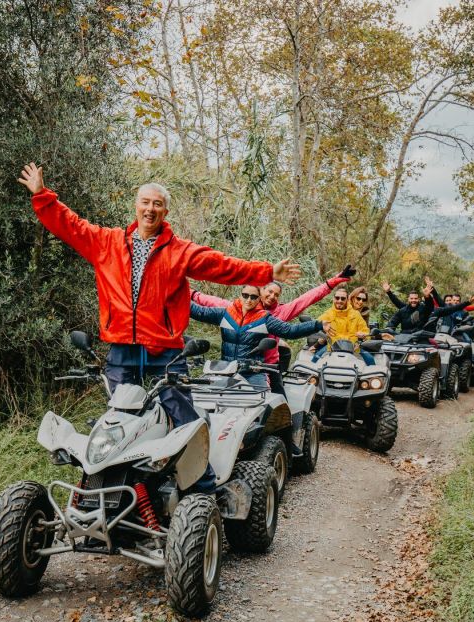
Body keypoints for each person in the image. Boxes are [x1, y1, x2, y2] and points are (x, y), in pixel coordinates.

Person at [17, 162, 302, 430]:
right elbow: (71, 225)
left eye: (157, 204)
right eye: (145, 202)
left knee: (183, 416)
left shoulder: (180, 251)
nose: (150, 209)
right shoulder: (108, 242)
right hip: (121, 346)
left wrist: (267, 272)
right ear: (136, 206)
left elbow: (222, 265)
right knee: (119, 418)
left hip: (164, 348)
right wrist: (42, 196)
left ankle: (203, 480)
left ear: (165, 211)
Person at [190, 263, 357, 392]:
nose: (271, 296)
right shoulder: (232, 310)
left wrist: (333, 281)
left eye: (276, 294)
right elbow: (205, 303)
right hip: (231, 367)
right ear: (260, 290)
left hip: (266, 366)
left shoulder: (278, 314)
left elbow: (306, 301)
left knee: (278, 405)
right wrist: (185, 292)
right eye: (269, 292)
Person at [189, 286, 329, 388]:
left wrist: (317, 325)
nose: (249, 300)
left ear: (259, 299)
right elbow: (198, 311)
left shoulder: (264, 318)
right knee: (207, 402)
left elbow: (290, 331)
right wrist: (173, 291)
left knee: (266, 408)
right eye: (245, 295)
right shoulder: (225, 313)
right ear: (240, 295)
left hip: (253, 372)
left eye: (253, 297)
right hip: (225, 370)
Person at [314, 286, 375, 365]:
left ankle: (374, 377)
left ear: (347, 300)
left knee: (370, 359)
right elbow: (314, 325)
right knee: (315, 359)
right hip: (332, 348)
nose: (339, 300)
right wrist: (317, 341)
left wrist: (363, 336)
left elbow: (366, 332)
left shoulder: (356, 314)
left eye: (343, 298)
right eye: (337, 298)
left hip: (353, 348)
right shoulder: (328, 314)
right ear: (333, 299)